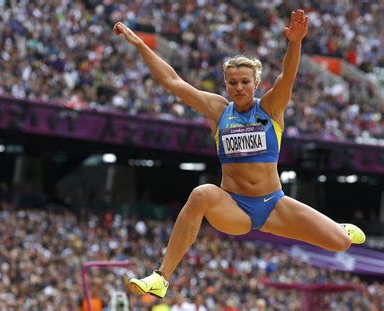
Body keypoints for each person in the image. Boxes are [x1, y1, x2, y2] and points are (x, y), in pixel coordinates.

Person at [113, 9, 366, 299]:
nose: (238, 87)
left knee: (339, 243)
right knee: (201, 194)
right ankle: (161, 277)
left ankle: (339, 229)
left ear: (256, 82)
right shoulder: (218, 110)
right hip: (233, 206)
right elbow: (173, 82)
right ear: (226, 84)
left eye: (245, 81)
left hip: (273, 204)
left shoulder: (270, 108)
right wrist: (142, 46)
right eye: (232, 82)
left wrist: (295, 43)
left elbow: (287, 76)